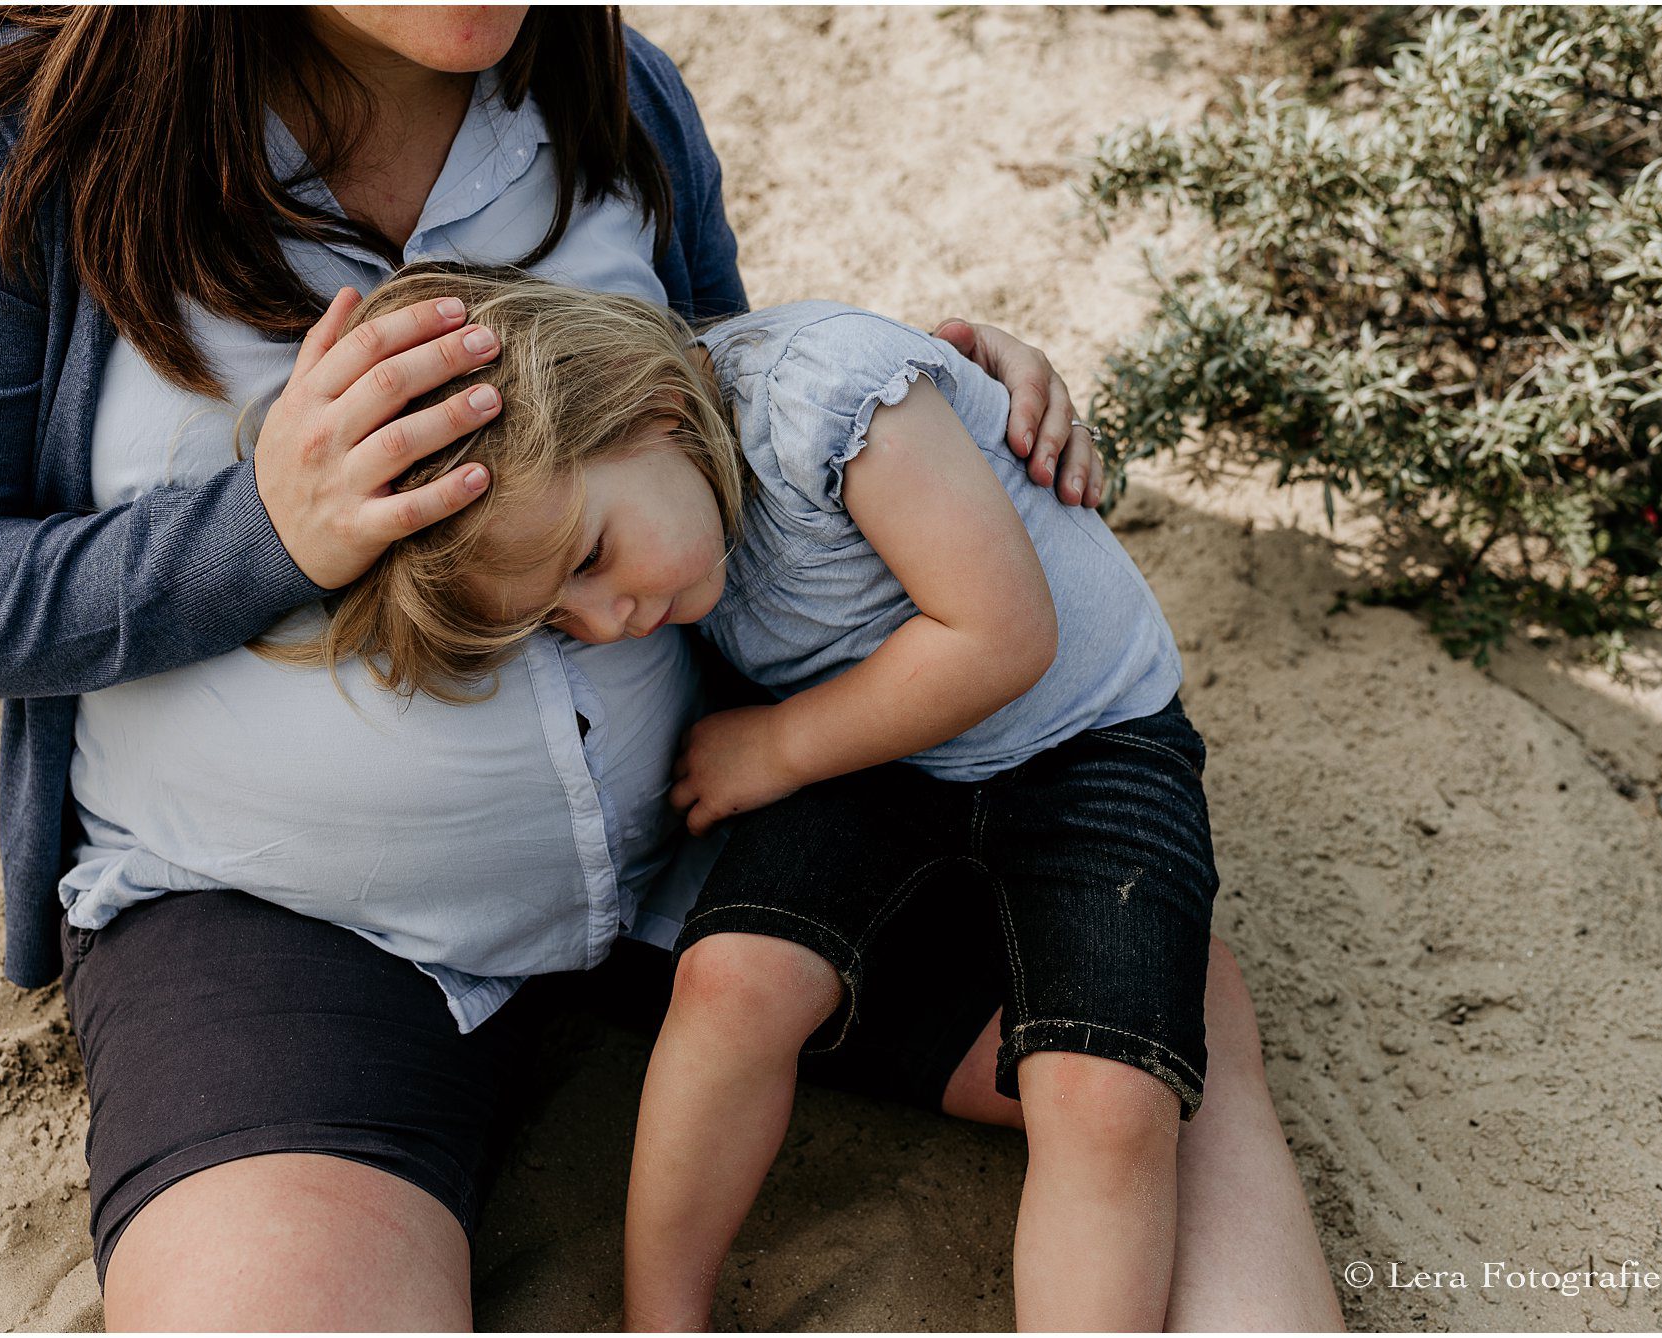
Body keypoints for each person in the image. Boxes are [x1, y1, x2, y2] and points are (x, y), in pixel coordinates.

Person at [0, 7, 1344, 1330]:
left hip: (705, 816)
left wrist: (936, 394)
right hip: (285, 915)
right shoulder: (22, 133)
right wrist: (263, 529)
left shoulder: (614, 95)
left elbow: (717, 417)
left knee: (1156, 1025)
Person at [261, 266, 1213, 1329]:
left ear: (653, 407)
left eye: (590, 558)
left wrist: (772, 747)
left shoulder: (826, 397)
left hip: (1090, 738)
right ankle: (662, 1316)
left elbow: (1002, 637)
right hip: (882, 754)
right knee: (726, 981)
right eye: (561, 623)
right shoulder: (670, 507)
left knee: (1102, 1094)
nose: (612, 617)